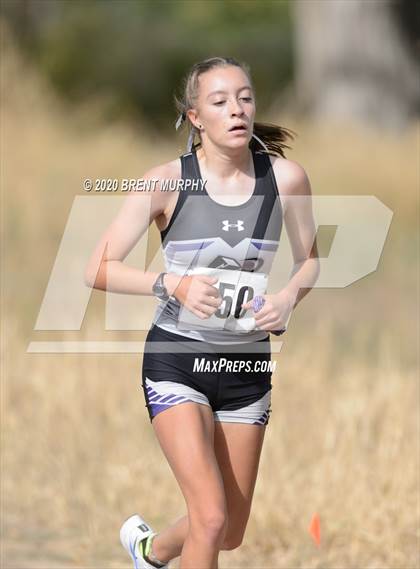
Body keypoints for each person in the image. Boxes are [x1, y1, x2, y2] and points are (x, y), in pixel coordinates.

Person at [85, 56, 320, 569]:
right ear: (196, 117)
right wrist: (171, 282)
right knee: (209, 517)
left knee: (228, 530)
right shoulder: (166, 181)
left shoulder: (287, 179)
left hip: (246, 368)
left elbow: (310, 263)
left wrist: (286, 299)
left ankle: (149, 551)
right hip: (176, 361)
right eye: (220, 102)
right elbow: (97, 269)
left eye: (245, 98)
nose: (237, 110)